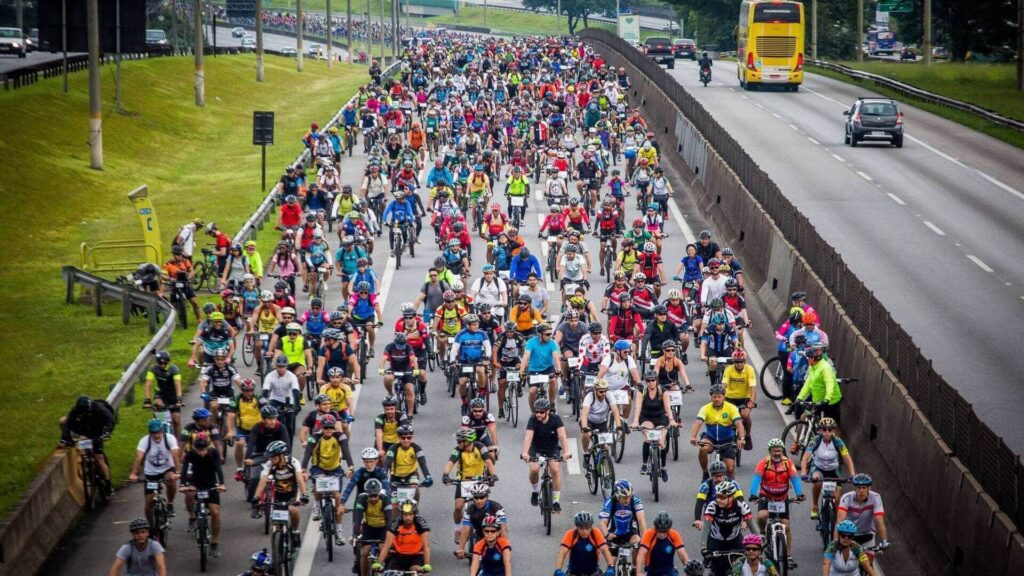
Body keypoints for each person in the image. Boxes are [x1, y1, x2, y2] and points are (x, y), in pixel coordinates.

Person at [749, 439, 804, 569]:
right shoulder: (763, 463)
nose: (777, 453)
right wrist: (753, 494)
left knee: (786, 525)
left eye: (779, 450)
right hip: (766, 496)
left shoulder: (788, 464)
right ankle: (762, 533)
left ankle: (788, 556)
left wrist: (800, 493)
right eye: (774, 451)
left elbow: (795, 479)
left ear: (782, 451)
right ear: (770, 452)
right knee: (762, 516)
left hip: (782, 497)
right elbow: (756, 480)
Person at [253, 440, 309, 548]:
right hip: (278, 492)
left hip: (292, 491)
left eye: (273, 457)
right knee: (274, 522)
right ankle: (275, 550)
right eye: (270, 457)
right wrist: (256, 496)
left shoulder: (293, 462)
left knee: (293, 510)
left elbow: (300, 480)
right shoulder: (270, 464)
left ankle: (295, 531)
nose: (270, 459)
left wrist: (304, 494)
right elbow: (263, 481)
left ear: (281, 456)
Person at [799, 417, 855, 519]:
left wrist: (852, 475)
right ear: (820, 430)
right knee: (818, 481)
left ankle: (835, 522)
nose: (827, 432)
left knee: (837, 498)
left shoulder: (838, 442)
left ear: (833, 430)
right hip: (818, 467)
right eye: (824, 429)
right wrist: (803, 473)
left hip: (833, 469)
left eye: (830, 430)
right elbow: (804, 459)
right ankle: (815, 506)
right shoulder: (814, 441)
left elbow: (848, 460)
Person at [179, 433, 226, 556]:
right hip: (196, 483)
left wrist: (221, 484)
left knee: (215, 512)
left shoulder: (213, 453)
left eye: (204, 450)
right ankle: (193, 517)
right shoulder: (190, 454)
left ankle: (214, 543)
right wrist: (183, 484)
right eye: (199, 450)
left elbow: (218, 469)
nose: (201, 453)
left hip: (210, 484)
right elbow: (184, 470)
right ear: (195, 448)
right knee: (189, 495)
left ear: (208, 447)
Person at [520, 398, 571, 511]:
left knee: (555, 469)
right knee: (534, 469)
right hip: (536, 447)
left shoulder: (556, 419)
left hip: (551, 447)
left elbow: (562, 436)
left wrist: (566, 452)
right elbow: (528, 437)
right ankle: (535, 491)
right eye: (536, 411)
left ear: (548, 411)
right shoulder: (532, 420)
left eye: (541, 412)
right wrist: (525, 453)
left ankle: (556, 501)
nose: (538, 414)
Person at [699, 480, 758, 576]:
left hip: (735, 540)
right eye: (717, 496)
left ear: (731, 497)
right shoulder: (712, 506)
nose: (718, 500)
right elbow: (705, 529)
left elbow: (753, 528)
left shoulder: (741, 506)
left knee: (744, 568)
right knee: (719, 571)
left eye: (722, 497)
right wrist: (703, 547)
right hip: (716, 541)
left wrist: (759, 543)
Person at [128, 419, 181, 524]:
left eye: (158, 432)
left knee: (171, 481)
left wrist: (177, 471)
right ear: (149, 432)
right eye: (153, 433)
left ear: (162, 431)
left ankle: (170, 503)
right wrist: (134, 473)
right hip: (151, 472)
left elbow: (175, 455)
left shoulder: (169, 438)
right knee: (148, 503)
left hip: (167, 468)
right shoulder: (145, 441)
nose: (156, 435)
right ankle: (151, 525)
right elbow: (139, 457)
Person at [59, 395, 114, 492]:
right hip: (86, 430)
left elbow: (109, 418)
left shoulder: (98, 407)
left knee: (99, 459)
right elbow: (67, 423)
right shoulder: (76, 409)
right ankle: (86, 466)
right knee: (64, 421)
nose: (83, 412)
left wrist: (107, 432)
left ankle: (108, 485)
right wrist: (65, 439)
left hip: (98, 431)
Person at [689, 385, 745, 478]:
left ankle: (732, 488)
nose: (717, 399)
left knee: (730, 469)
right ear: (711, 397)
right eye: (714, 397)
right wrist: (693, 437)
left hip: (727, 440)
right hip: (711, 438)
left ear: (724, 397)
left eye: (719, 397)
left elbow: (739, 423)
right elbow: (698, 423)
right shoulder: (705, 408)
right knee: (702, 449)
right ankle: (705, 473)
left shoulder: (731, 408)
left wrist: (741, 438)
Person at [374, 500, 432, 573]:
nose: (408, 518)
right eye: (405, 514)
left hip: (415, 556)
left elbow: (426, 546)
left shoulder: (421, 524)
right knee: (389, 573)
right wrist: (379, 563)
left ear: (414, 514)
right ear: (401, 514)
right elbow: (386, 546)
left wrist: (427, 564)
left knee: (417, 571)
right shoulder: (395, 524)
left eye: (410, 514)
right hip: (397, 556)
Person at [835, 474, 889, 553]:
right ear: (855, 488)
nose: (861, 491)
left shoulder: (875, 497)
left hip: (867, 534)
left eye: (864, 487)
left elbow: (879, 519)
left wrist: (884, 540)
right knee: (845, 562)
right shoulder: (847, 497)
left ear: (868, 488)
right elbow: (840, 520)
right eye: (859, 488)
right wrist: (836, 541)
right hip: (849, 535)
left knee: (868, 563)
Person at [456, 482, 508, 559]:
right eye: (476, 498)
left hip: (496, 534)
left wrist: (505, 549)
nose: (479, 501)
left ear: (487, 497)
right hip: (480, 534)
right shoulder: (470, 510)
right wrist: (461, 548)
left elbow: (503, 529)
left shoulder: (497, 508)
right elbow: (465, 530)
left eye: (482, 497)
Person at [553, 511, 615, 576]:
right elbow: (562, 552)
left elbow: (605, 550)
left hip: (593, 573)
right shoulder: (571, 533)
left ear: (591, 526)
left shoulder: (595, 532)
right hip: (573, 573)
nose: (585, 531)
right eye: (581, 528)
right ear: (577, 527)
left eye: (587, 528)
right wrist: (558, 569)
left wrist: (610, 566)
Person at [796, 343, 843, 425]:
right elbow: (808, 383)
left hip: (831, 401)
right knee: (804, 416)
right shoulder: (812, 366)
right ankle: (798, 438)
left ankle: (836, 437)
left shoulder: (825, 368)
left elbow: (830, 384)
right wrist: (800, 397)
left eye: (809, 358)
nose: (808, 360)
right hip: (818, 400)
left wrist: (827, 399)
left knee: (831, 426)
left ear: (813, 358)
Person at [721, 348, 757, 451]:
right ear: (733, 362)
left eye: (741, 362)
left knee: (745, 415)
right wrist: (721, 397)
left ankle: (748, 435)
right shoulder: (728, 369)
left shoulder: (749, 369)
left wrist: (751, 401)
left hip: (745, 398)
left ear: (744, 361)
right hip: (730, 397)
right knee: (726, 417)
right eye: (737, 362)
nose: (739, 364)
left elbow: (753, 387)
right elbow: (724, 384)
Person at [520, 323, 561, 413]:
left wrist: (559, 370)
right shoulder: (531, 342)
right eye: (547, 334)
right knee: (532, 391)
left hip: (548, 368)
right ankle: (533, 413)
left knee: (553, 380)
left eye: (551, 334)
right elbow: (526, 357)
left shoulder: (552, 343)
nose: (550, 336)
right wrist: (522, 371)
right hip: (534, 370)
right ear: (540, 335)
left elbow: (556, 358)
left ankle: (552, 403)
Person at [599, 480, 647, 555]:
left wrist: (644, 540)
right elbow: (602, 523)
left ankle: (634, 567)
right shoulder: (609, 502)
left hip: (630, 533)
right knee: (611, 563)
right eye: (624, 498)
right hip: (614, 534)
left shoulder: (636, 500)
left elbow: (641, 520)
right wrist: (607, 534)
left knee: (638, 543)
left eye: (629, 497)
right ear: (617, 496)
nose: (628, 500)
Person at [635, 512, 690, 576]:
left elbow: (682, 554)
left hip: (669, 570)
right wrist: (639, 572)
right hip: (652, 571)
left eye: (664, 531)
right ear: (655, 527)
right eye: (659, 531)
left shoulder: (674, 534)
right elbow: (641, 554)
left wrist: (688, 570)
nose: (662, 534)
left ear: (669, 529)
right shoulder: (648, 534)